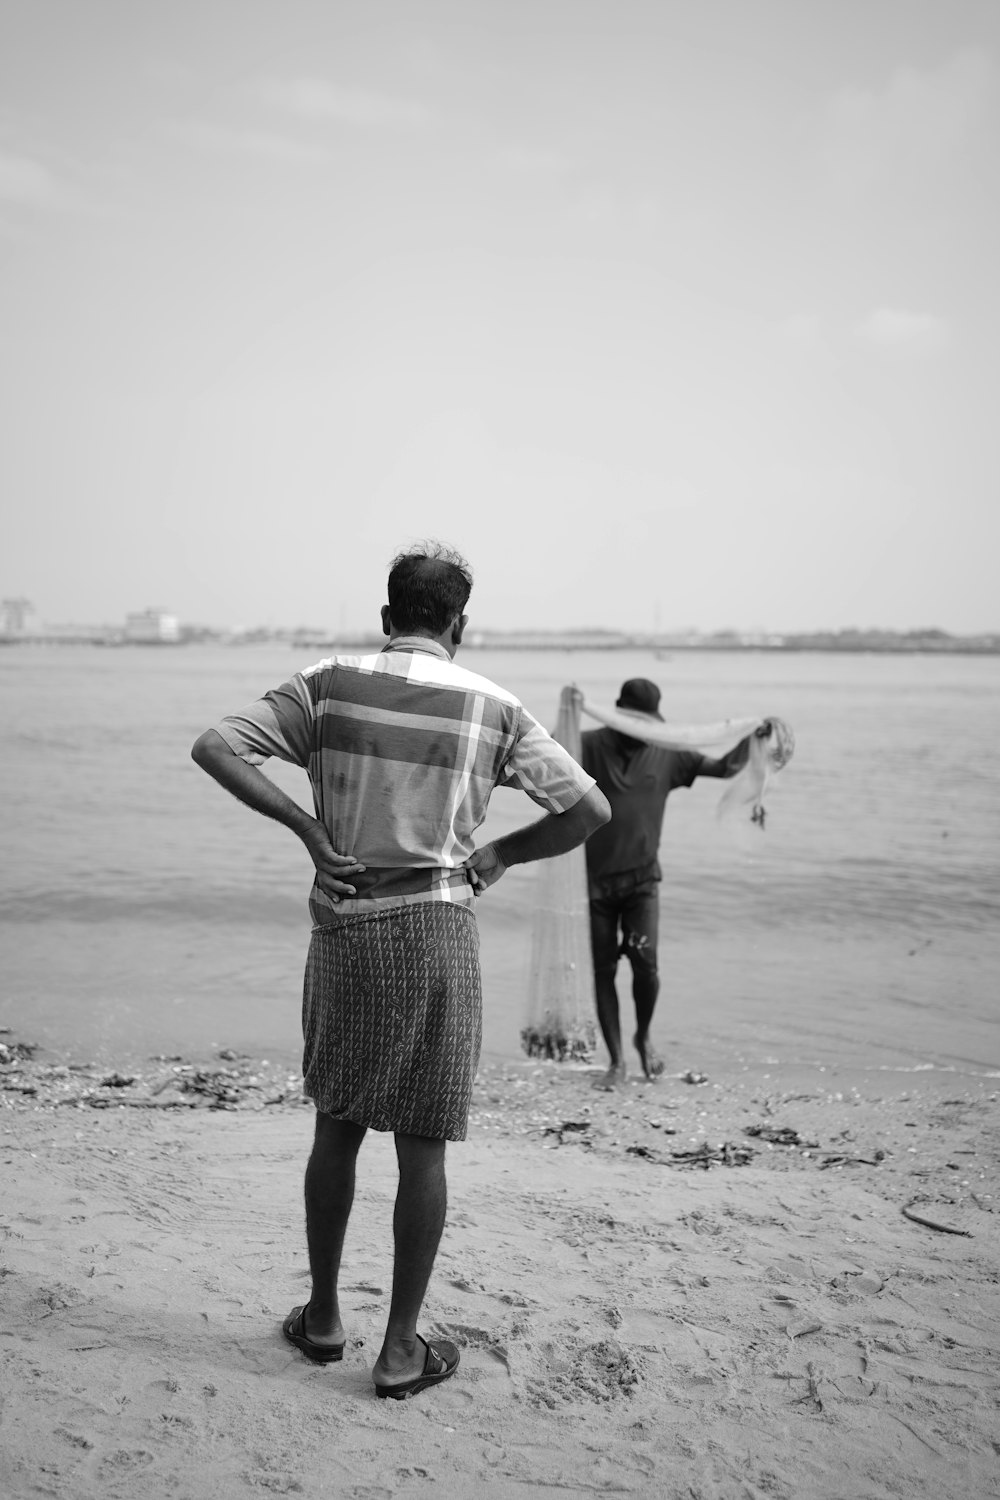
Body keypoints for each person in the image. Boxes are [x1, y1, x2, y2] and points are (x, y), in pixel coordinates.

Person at [191, 543, 610, 1400]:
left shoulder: (328, 683)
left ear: (387, 619)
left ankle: (321, 1318)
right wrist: (501, 854)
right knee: (424, 1154)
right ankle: (399, 1351)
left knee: (336, 1129)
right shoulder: (494, 708)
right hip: (436, 931)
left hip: (346, 930)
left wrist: (311, 832)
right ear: (459, 624)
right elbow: (589, 809)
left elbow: (216, 747)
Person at [579, 677, 769, 1090]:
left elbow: (726, 768)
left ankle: (643, 1035)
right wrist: (567, 708)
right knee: (604, 970)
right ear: (615, 713)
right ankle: (616, 1061)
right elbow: (551, 760)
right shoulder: (590, 745)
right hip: (596, 885)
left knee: (647, 967)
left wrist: (753, 738)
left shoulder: (667, 753)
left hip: (643, 882)